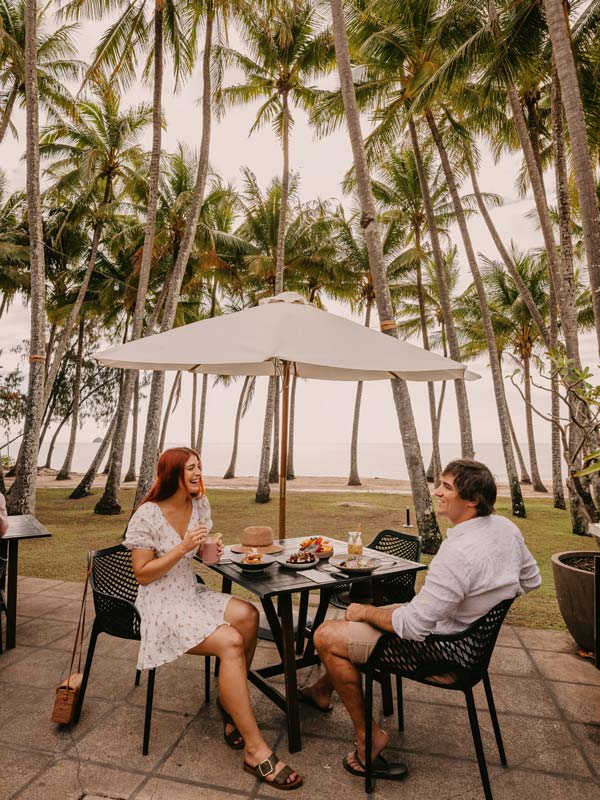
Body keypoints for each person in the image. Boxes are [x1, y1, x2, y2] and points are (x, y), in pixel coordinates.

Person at [301, 459, 541, 781]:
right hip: (468, 643)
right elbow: (531, 580)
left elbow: (414, 627)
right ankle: (320, 689)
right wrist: (482, 605)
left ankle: (368, 739)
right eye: (439, 484)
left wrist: (363, 612)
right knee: (364, 625)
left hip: (441, 650)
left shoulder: (457, 553)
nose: (437, 492)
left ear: (471, 501)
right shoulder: (505, 528)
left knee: (326, 636)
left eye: (447, 487)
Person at [125, 447, 302, 791]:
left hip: (190, 592)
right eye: (191, 468)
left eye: (199, 467)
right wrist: (182, 547)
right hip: (160, 604)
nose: (198, 473)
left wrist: (211, 553)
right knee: (231, 641)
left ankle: (229, 703)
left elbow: (198, 556)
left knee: (248, 615)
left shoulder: (200, 505)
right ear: (172, 473)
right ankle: (255, 749)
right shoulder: (147, 515)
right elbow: (143, 575)